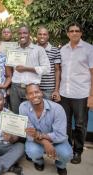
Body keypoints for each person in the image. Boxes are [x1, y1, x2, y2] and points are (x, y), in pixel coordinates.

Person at [59, 22, 93, 164]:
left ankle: (77, 151)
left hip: (81, 94)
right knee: (65, 124)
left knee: (80, 124)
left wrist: (91, 95)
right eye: (71, 31)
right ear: (67, 33)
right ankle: (66, 149)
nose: (74, 33)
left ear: (81, 33)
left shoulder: (89, 49)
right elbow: (59, 70)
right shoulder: (63, 50)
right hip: (64, 93)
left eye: (77, 31)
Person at [21, 84, 73, 175]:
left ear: (41, 93)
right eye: (30, 93)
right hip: (36, 140)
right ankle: (39, 161)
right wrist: (45, 142)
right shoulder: (23, 107)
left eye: (36, 92)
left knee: (66, 154)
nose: (34, 95)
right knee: (32, 151)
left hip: (57, 140)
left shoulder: (57, 108)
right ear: (26, 96)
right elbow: (29, 134)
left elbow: (60, 135)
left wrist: (41, 136)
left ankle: (60, 165)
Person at [8, 25, 50, 114]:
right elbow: (8, 69)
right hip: (16, 87)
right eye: (20, 33)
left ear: (29, 34)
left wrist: (27, 68)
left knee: (32, 114)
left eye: (25, 33)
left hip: (32, 88)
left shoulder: (39, 50)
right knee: (16, 115)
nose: (22, 35)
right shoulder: (13, 51)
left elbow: (47, 69)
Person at [36, 26, 61, 100]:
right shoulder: (32, 49)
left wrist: (56, 90)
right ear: (36, 36)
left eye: (44, 34)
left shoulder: (55, 50)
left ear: (48, 36)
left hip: (49, 89)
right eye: (40, 34)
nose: (42, 36)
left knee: (49, 110)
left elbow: (57, 70)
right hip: (35, 88)